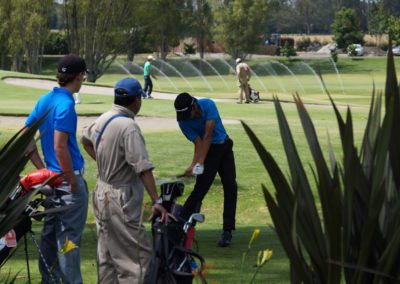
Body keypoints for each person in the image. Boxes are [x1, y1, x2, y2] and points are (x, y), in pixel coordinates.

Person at [80, 77, 168, 283]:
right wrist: (157, 201)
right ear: (136, 100)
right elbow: (143, 168)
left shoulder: (103, 118)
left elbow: (85, 138)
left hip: (101, 193)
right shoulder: (129, 127)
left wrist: (103, 161)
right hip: (119, 197)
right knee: (137, 260)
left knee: (108, 258)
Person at [25, 53, 89, 283]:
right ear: (80, 76)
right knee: (69, 241)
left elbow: (26, 137)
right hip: (66, 183)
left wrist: (43, 171)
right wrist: (72, 180)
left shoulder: (45, 100)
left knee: (51, 237)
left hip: (50, 183)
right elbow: (60, 147)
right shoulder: (66, 105)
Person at [174, 92, 238, 247]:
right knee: (200, 189)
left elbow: (208, 135)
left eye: (187, 114)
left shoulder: (208, 105)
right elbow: (198, 142)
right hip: (207, 152)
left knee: (231, 186)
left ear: (194, 105)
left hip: (223, 147)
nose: (186, 118)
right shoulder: (183, 122)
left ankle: (227, 231)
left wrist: (200, 163)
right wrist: (193, 164)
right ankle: (179, 226)